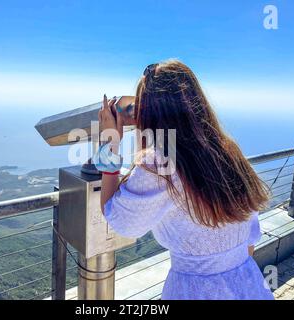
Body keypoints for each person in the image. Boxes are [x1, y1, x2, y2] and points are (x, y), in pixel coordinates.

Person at [96, 59, 274, 300]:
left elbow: (117, 217)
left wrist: (110, 141)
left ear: (148, 112)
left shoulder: (158, 163)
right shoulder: (228, 151)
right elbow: (250, 238)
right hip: (248, 283)